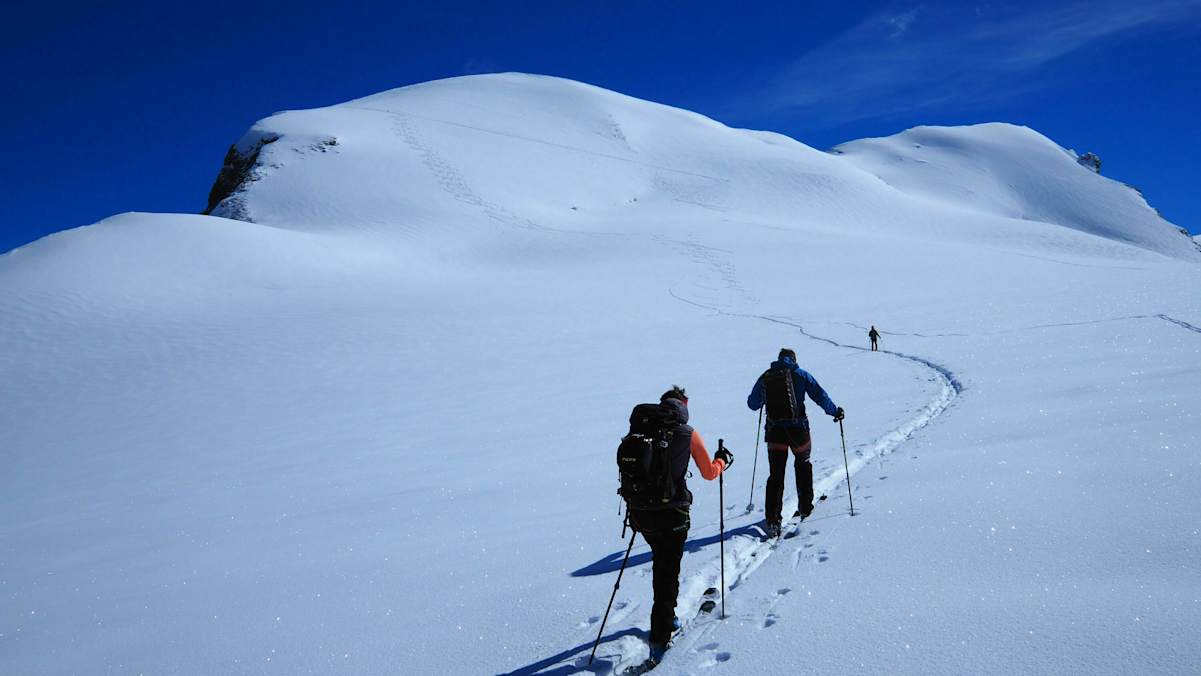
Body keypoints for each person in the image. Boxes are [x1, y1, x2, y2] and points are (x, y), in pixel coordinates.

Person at [626, 386, 732, 664]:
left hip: (640, 514)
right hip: (671, 515)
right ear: (683, 404)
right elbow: (709, 474)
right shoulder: (688, 433)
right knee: (666, 574)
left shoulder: (642, 428)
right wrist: (722, 460)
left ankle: (667, 617)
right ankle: (659, 639)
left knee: (662, 566)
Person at [746, 349, 843, 537]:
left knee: (776, 475)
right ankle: (806, 507)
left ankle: (773, 520)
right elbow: (819, 395)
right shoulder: (801, 374)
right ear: (794, 359)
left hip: (775, 433)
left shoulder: (766, 376)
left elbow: (752, 404)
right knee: (803, 465)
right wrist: (835, 411)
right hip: (799, 431)